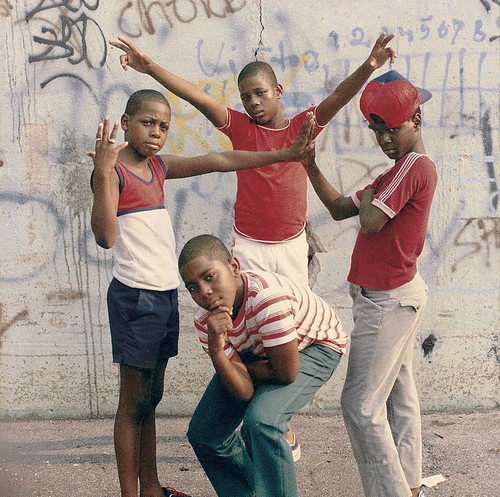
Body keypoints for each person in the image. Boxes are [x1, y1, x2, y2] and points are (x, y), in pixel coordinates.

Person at [109, 31, 396, 456]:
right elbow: (195, 97)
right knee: (245, 333)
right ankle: (248, 410)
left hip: (292, 247)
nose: (254, 103)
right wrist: (148, 66)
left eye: (260, 93)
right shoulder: (240, 127)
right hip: (249, 249)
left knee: (288, 335)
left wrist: (370, 66)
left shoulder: (303, 126)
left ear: (278, 91)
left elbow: (338, 96)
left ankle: (281, 420)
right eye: (246, 97)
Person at [88, 89, 315, 497]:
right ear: (126, 122)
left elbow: (218, 158)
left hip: (163, 299)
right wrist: (101, 173)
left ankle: (152, 493)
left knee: (151, 397)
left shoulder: (157, 167)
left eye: (164, 126)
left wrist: (288, 153)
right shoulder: (112, 172)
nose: (156, 132)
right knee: (132, 403)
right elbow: (106, 236)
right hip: (134, 301)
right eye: (147, 123)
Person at [302, 70, 438, 497]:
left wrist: (374, 196)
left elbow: (373, 222)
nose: (383, 139)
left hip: (387, 303)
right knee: (399, 397)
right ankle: (407, 492)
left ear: (416, 119)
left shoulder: (413, 168)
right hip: (386, 300)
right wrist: (310, 166)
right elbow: (344, 208)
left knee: (359, 404)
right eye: (377, 130)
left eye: (392, 129)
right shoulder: (393, 172)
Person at [177, 234, 348, 497]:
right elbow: (241, 390)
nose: (205, 292)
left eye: (210, 277)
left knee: (263, 422)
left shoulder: (265, 298)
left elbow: (286, 372)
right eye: (193, 286)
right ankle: (246, 493)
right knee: (205, 431)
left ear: (233, 268)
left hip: (313, 346)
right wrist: (216, 349)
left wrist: (237, 364)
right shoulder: (205, 320)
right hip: (262, 354)